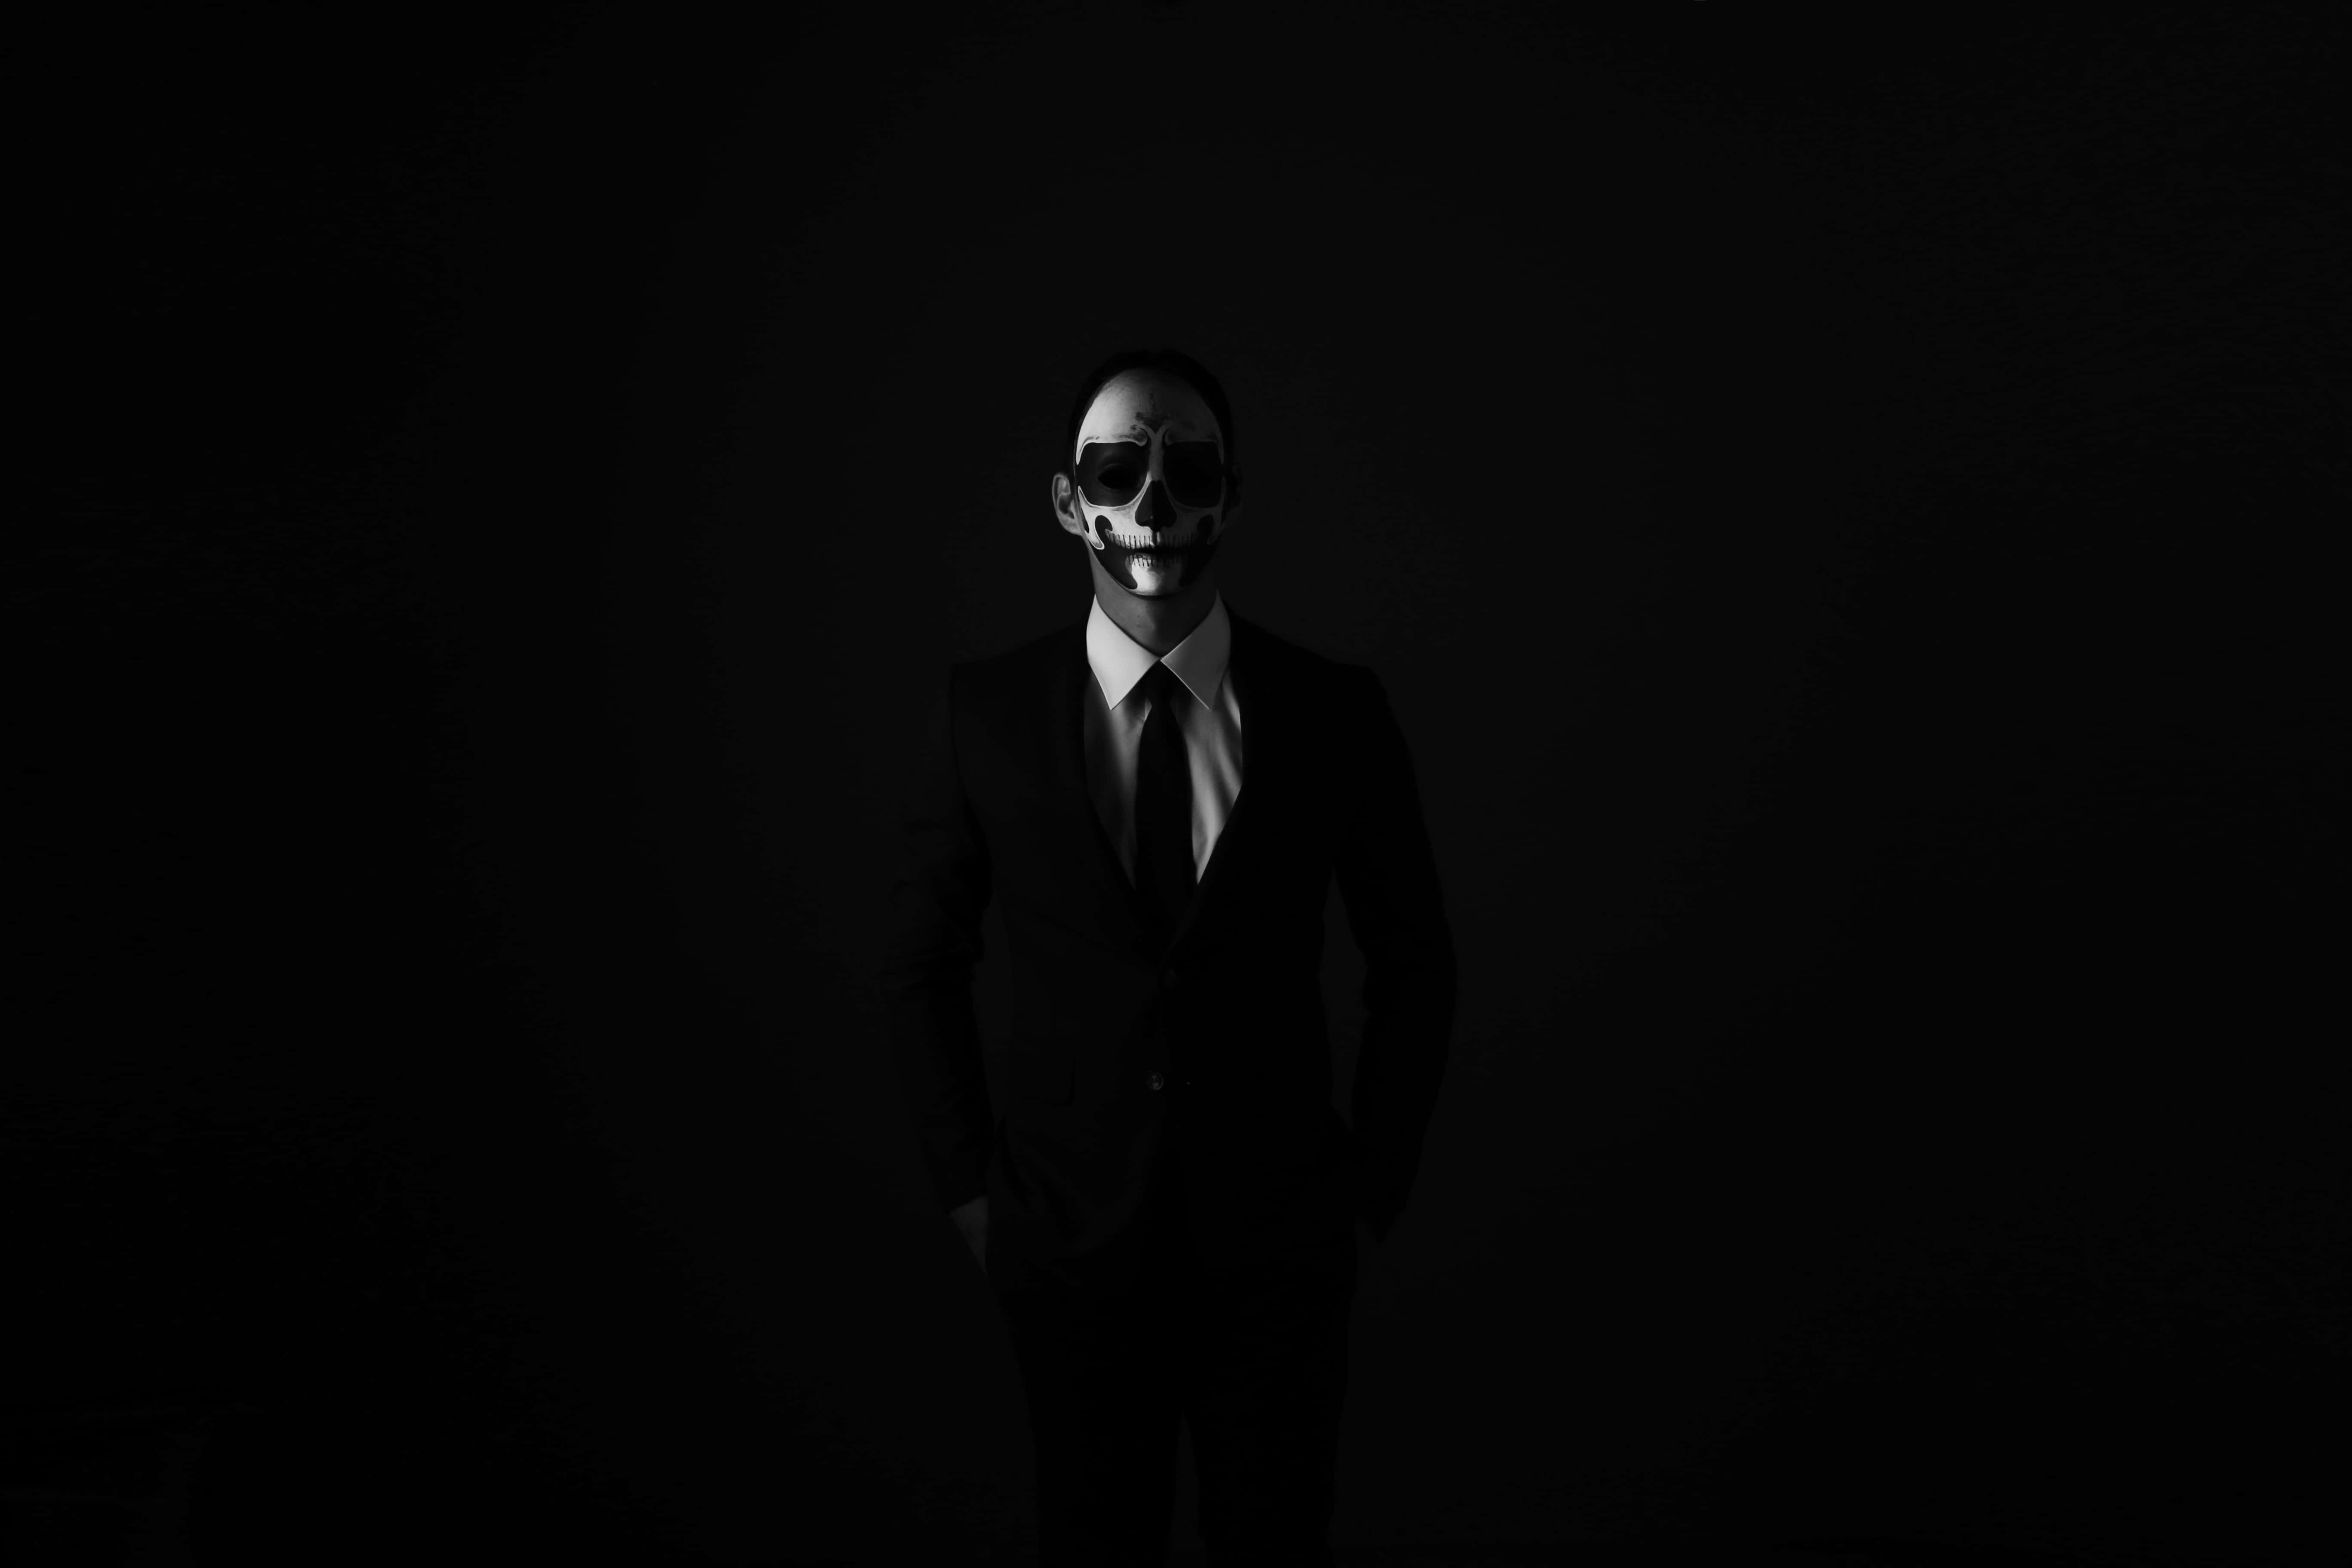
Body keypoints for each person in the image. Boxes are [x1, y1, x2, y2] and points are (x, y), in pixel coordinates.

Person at [885, 346, 1457, 1566]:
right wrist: (976, 1196)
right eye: (1116, 473)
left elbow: (1415, 959)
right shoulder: (985, 714)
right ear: (1067, 502)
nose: (1153, 506)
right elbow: (919, 962)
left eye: (1188, 474)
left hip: (1280, 1250)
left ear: (1230, 498)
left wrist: (1365, 1195)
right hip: (1066, 1247)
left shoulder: (1333, 713)